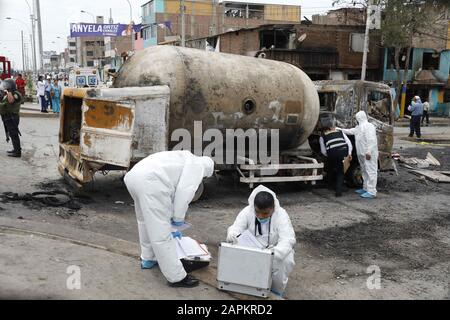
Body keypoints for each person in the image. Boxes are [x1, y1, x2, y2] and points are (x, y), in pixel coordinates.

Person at [124, 150, 214, 288]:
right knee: (162, 234)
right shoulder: (198, 166)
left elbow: (173, 189)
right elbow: (184, 193)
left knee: (144, 221)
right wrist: (178, 219)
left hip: (133, 177)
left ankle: (149, 257)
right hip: (151, 181)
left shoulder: (184, 157)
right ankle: (176, 277)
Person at [226, 185, 296, 298]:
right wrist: (233, 235)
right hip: (251, 248)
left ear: (273, 208)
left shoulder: (281, 215)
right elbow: (236, 228)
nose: (260, 216)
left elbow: (288, 240)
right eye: (257, 212)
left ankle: (276, 291)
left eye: (265, 214)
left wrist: (273, 253)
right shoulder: (247, 211)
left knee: (286, 260)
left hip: (273, 251)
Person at [339, 111, 378, 199]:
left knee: (371, 171)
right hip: (361, 154)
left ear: (359, 118)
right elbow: (350, 131)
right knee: (364, 170)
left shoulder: (369, 126)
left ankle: (372, 191)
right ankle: (365, 188)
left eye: (357, 118)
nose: (356, 120)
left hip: (368, 154)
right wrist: (339, 129)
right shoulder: (359, 127)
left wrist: (368, 151)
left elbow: (371, 140)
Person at [319, 115, 353, 197]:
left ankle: (332, 186)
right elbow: (349, 143)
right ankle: (339, 189)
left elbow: (323, 151)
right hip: (344, 152)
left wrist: (330, 155)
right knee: (341, 171)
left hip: (333, 154)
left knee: (332, 168)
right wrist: (349, 154)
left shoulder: (322, 137)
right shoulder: (340, 132)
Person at [0, 79, 23, 157]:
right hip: (8, 117)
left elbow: (11, 101)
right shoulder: (9, 93)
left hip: (12, 117)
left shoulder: (16, 94)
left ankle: (17, 152)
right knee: (12, 134)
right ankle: (15, 149)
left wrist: (8, 91)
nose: (5, 87)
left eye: (6, 85)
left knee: (14, 134)